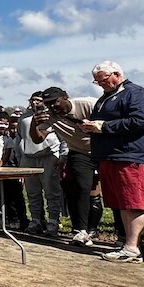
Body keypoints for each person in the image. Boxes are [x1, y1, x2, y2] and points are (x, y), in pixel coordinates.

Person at [84, 61, 144, 264]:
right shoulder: (107, 97)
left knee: (132, 202)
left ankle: (132, 247)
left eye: (104, 80)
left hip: (130, 156)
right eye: (97, 82)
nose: (101, 84)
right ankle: (128, 242)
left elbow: (142, 120)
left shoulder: (136, 93)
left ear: (117, 74)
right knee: (122, 203)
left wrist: (104, 126)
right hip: (112, 156)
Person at [32, 86, 99, 246]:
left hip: (103, 149)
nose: (52, 107)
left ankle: (119, 233)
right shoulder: (50, 116)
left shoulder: (88, 104)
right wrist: (34, 124)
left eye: (55, 102)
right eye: (48, 104)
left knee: (110, 191)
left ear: (65, 97)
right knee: (81, 188)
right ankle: (80, 231)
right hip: (78, 151)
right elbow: (37, 139)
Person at [17, 91, 63, 236]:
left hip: (48, 155)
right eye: (33, 100)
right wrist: (19, 158)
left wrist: (62, 155)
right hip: (28, 157)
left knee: (51, 191)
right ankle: (36, 220)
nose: (35, 103)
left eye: (38, 100)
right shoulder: (24, 117)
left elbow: (63, 135)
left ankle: (53, 221)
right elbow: (19, 138)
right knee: (32, 193)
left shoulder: (50, 116)